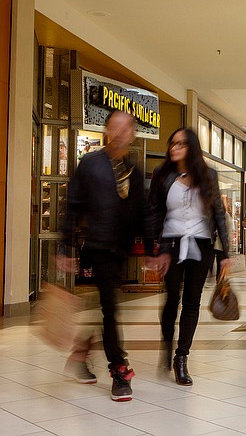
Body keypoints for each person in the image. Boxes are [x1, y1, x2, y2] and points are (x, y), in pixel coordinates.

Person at [59, 110, 153, 402]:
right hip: (97, 248)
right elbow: (72, 204)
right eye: (115, 127)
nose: (120, 133)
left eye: (126, 128)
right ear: (107, 131)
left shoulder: (134, 173)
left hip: (118, 251)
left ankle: (81, 352)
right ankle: (119, 369)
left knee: (108, 308)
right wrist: (65, 246)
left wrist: (150, 251)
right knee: (110, 308)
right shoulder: (90, 163)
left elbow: (142, 215)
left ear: (133, 133)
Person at [149, 128, 231, 386]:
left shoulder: (208, 176)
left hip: (201, 245)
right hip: (171, 245)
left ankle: (181, 357)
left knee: (192, 302)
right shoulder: (162, 175)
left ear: (192, 147)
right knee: (172, 299)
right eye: (172, 144)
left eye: (181, 144)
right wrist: (157, 249)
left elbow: (218, 213)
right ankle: (166, 343)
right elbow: (153, 213)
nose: (175, 148)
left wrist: (225, 254)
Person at [211, 197, 234, 283]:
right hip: (212, 244)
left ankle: (219, 281)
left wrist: (228, 248)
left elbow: (228, 232)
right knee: (210, 263)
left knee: (220, 264)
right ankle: (213, 279)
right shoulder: (211, 216)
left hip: (221, 245)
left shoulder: (226, 216)